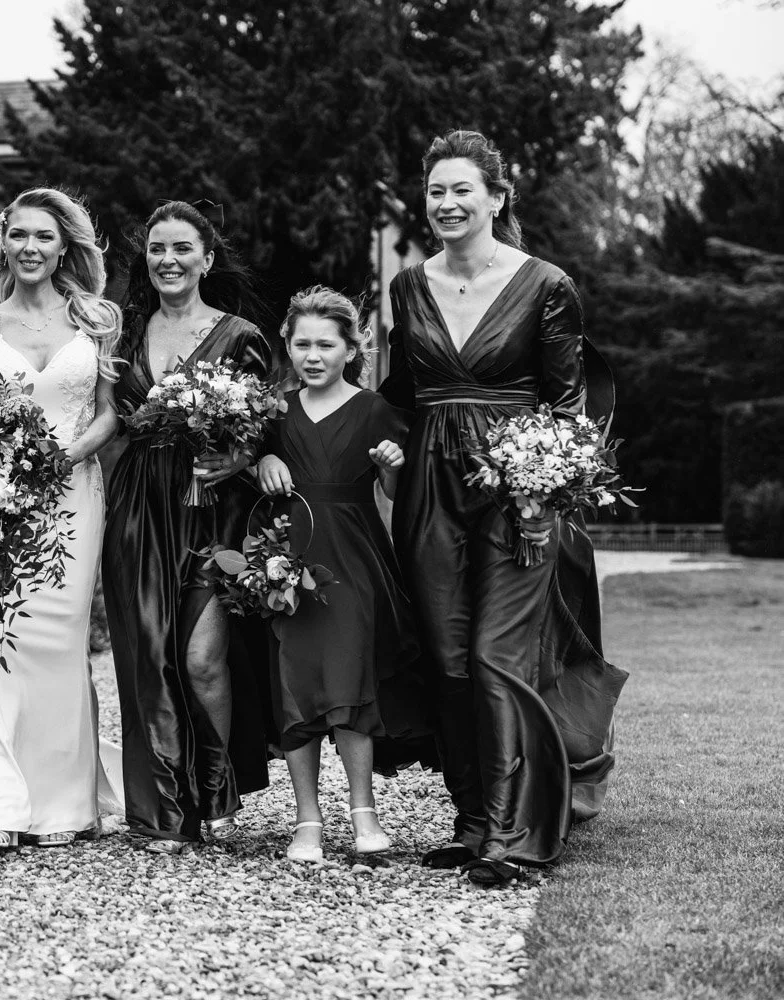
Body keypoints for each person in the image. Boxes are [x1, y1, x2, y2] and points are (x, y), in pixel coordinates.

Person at [380, 129, 627, 887]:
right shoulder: (407, 287)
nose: (447, 203)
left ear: (496, 197)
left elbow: (566, 405)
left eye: (462, 190)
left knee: (498, 657)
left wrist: (538, 487)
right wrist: (384, 449)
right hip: (430, 489)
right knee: (449, 659)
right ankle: (474, 821)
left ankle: (518, 834)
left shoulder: (545, 284)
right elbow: (400, 397)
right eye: (435, 191)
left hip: (518, 493)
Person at [0, 188, 126, 851]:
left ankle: (60, 805)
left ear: (64, 248)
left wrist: (65, 454)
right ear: (4, 243)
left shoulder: (96, 319)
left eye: (44, 237)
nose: (30, 247)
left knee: (56, 643)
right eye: (19, 235)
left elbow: (110, 411)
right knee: (1, 639)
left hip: (75, 494)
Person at [102, 200, 275, 854]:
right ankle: (163, 812)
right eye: (156, 249)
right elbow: (106, 416)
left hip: (212, 509)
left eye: (181, 249)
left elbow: (264, 428)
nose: (167, 260)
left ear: (206, 258)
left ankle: (217, 783)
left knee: (203, 659)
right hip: (140, 506)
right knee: (148, 656)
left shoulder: (239, 336)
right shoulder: (126, 335)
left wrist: (237, 457)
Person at [254, 286, 433, 863]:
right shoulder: (274, 411)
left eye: (326, 345)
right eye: (302, 343)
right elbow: (249, 469)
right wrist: (265, 458)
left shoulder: (375, 409)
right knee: (296, 681)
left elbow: (394, 494)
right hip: (288, 559)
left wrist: (390, 470)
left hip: (354, 557)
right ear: (288, 345)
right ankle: (306, 820)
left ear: (350, 349)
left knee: (351, 682)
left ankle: (364, 813)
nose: (313, 355)